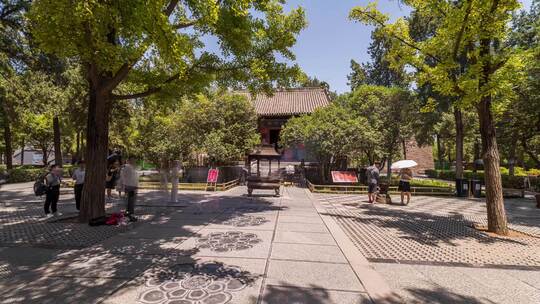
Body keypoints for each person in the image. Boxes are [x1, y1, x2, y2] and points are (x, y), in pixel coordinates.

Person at [120, 157, 139, 221]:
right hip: (129, 185)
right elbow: (123, 176)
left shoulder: (131, 167)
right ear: (129, 160)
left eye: (134, 160)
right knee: (130, 199)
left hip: (131, 185)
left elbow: (135, 177)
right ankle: (130, 213)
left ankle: (129, 212)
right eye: (133, 160)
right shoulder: (127, 167)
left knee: (130, 199)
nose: (134, 161)